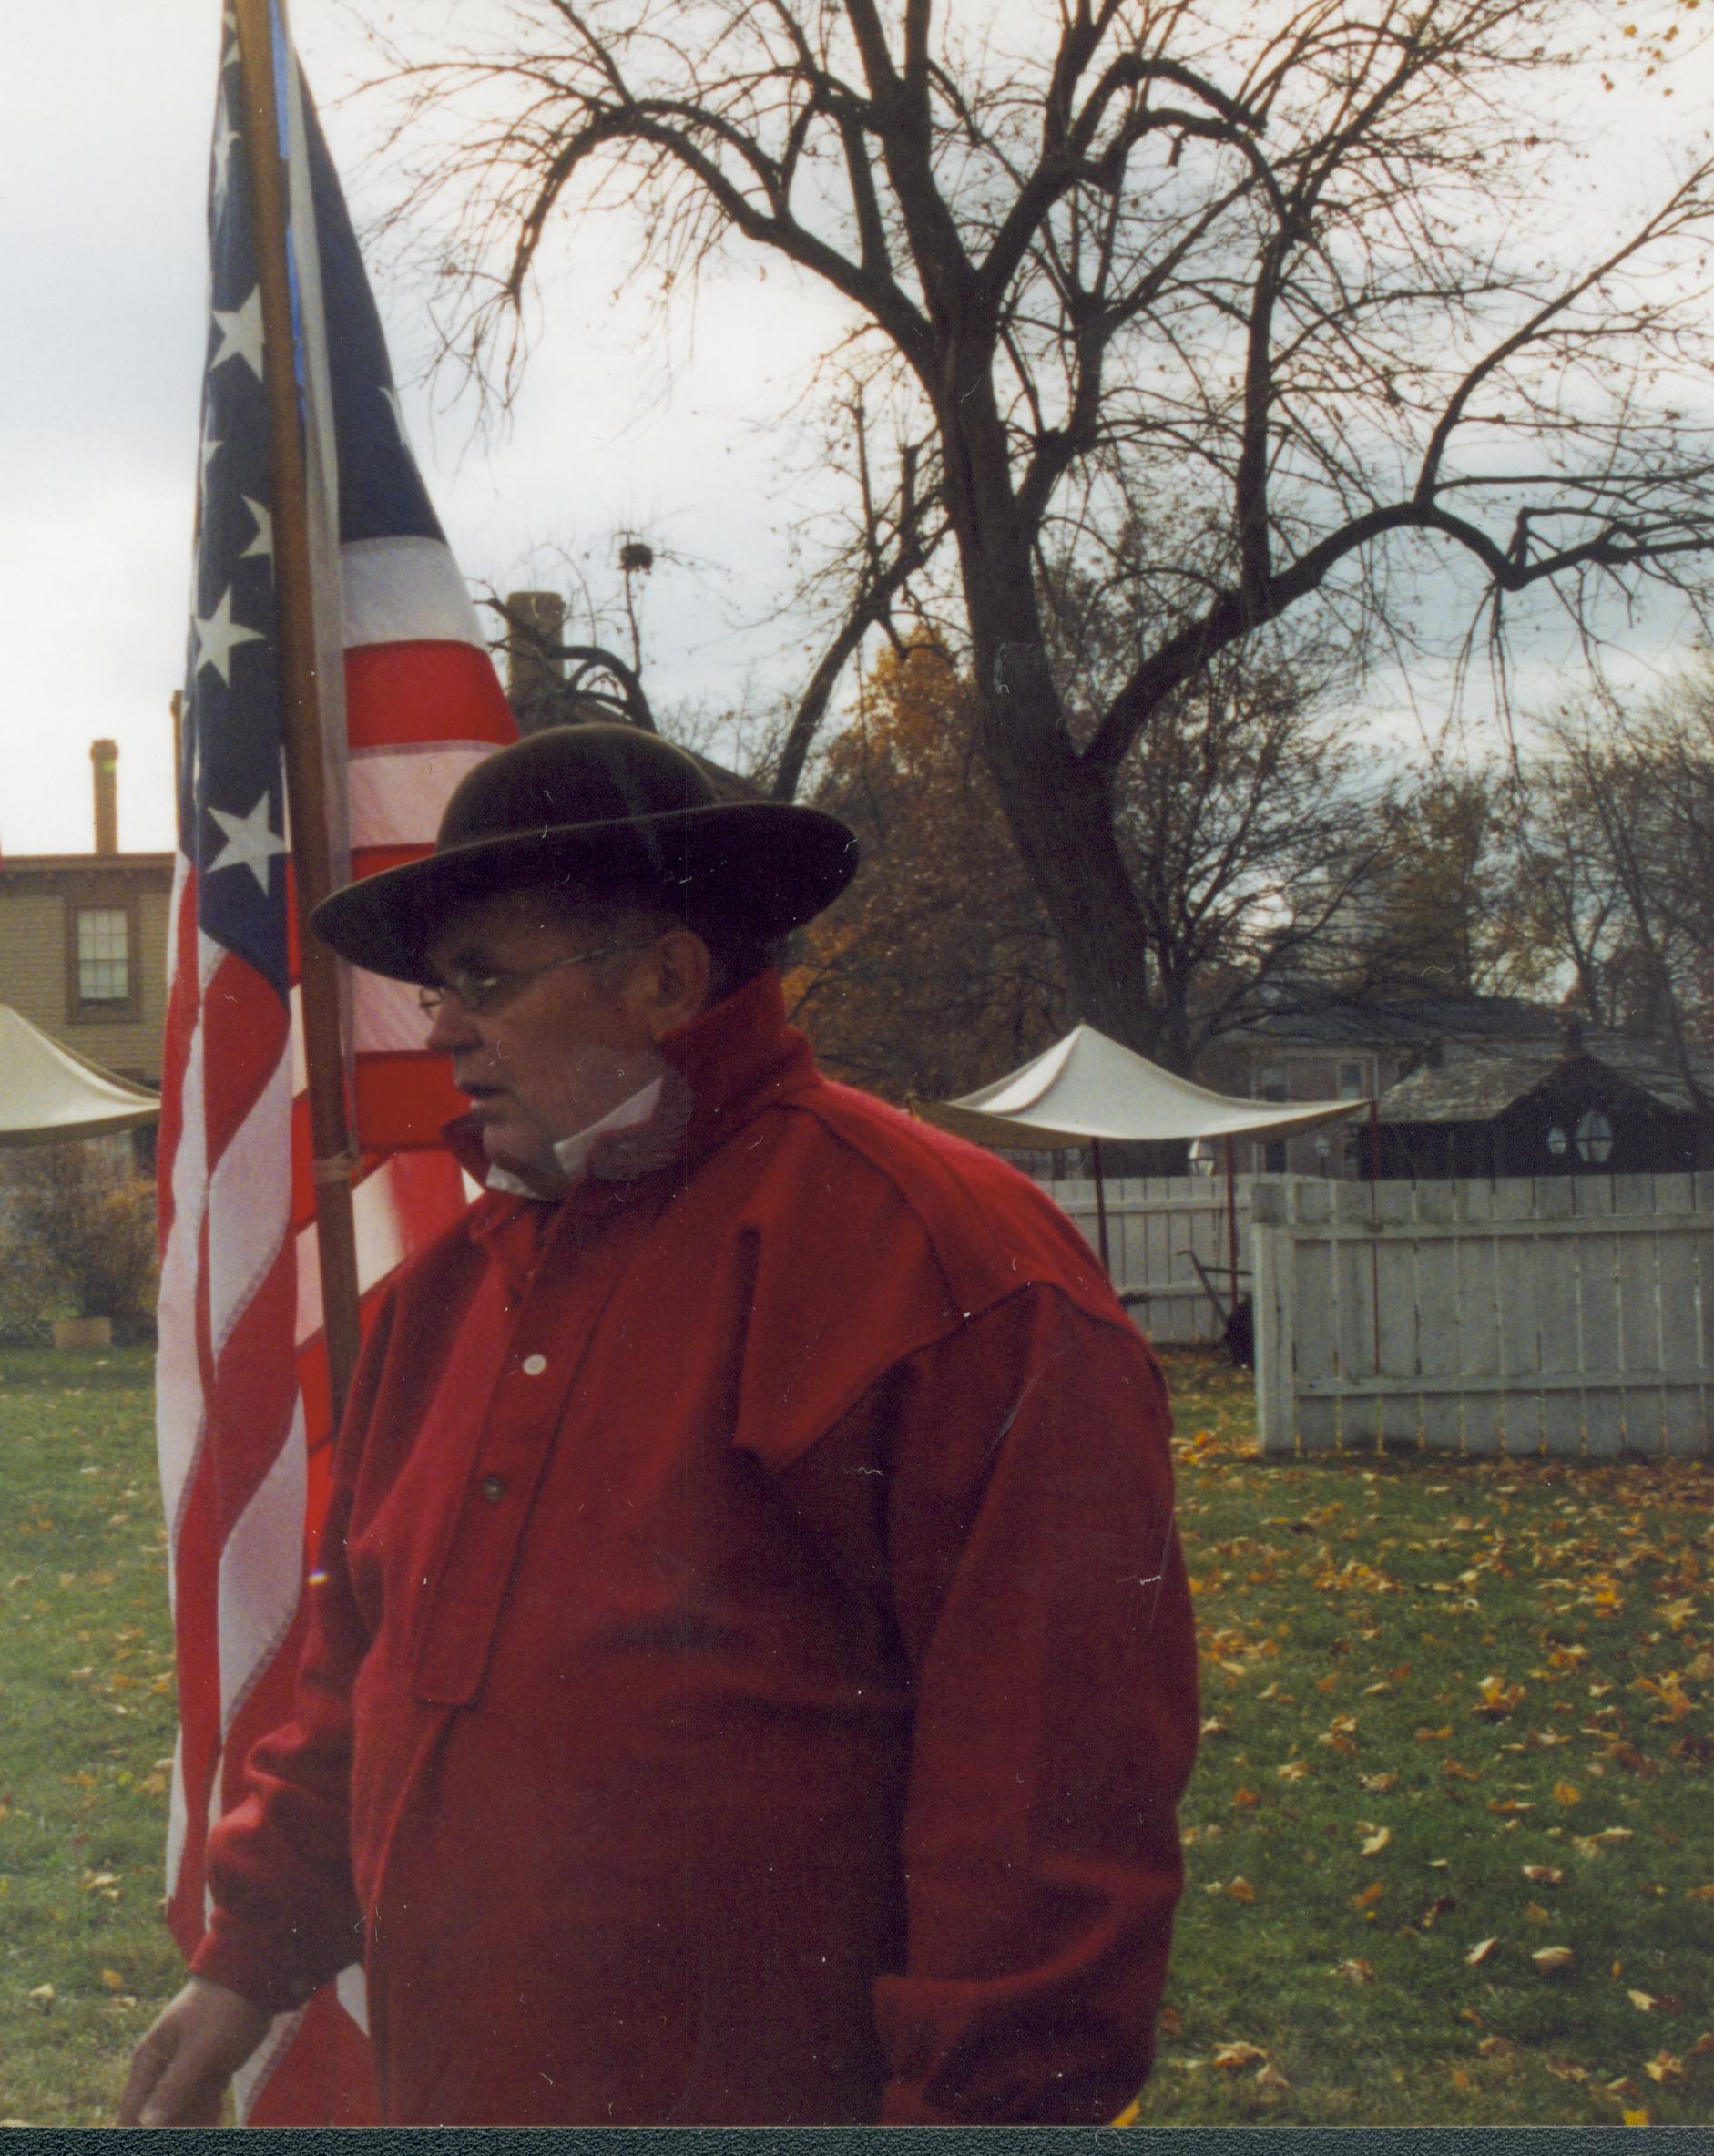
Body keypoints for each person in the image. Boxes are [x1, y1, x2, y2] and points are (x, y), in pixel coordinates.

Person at [119, 723, 1201, 2127]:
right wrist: (245, 1963)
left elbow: (1051, 1813)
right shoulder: (449, 1294)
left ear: (668, 981)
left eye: (483, 979)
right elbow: (361, 1676)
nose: (439, 1026)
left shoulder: (951, 1276)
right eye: (436, 985)